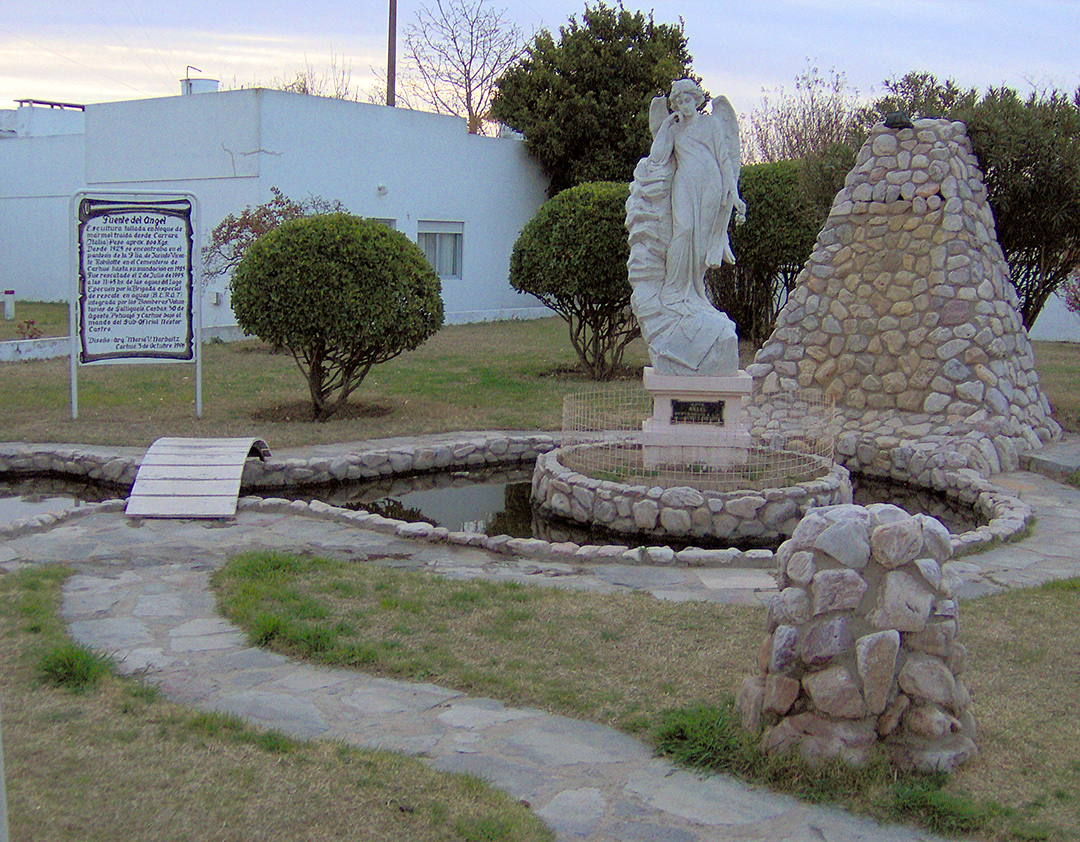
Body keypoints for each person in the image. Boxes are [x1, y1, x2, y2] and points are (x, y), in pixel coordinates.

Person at [626, 79, 746, 376]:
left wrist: (734, 194)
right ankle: (674, 292)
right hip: (685, 182)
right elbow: (657, 157)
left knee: (700, 242)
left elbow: (725, 161)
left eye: (687, 98)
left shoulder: (712, 126)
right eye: (677, 101)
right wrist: (665, 125)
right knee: (683, 231)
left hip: (710, 184)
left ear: (696, 99)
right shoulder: (675, 129)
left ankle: (695, 295)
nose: (683, 104)